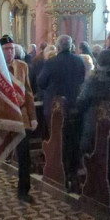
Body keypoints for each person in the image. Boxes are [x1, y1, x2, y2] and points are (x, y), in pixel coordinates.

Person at [38, 34, 85, 190]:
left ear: (57, 48)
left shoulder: (51, 62)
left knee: (57, 138)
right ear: (71, 46)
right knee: (72, 140)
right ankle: (72, 171)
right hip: (74, 106)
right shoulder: (79, 61)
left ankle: (58, 167)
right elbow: (82, 79)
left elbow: (41, 82)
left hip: (55, 107)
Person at [0, 35, 37, 202]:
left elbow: (28, 92)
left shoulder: (22, 66)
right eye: (6, 49)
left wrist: (33, 116)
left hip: (21, 116)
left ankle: (23, 191)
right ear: (0, 50)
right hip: (2, 116)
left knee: (24, 154)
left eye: (12, 48)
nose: (10, 52)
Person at [76, 48, 110, 155]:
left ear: (100, 61)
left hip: (95, 119)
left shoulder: (95, 78)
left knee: (94, 150)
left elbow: (82, 100)